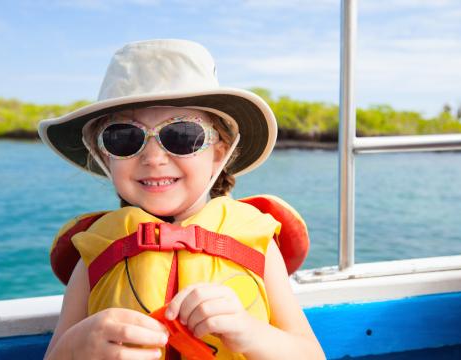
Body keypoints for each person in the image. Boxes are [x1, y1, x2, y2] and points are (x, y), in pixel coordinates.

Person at [39, 39, 325, 359]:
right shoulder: (95, 248)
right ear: (104, 155)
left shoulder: (257, 239)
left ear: (220, 151)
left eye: (182, 135)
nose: (153, 157)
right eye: (123, 137)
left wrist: (248, 331)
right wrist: (76, 346)